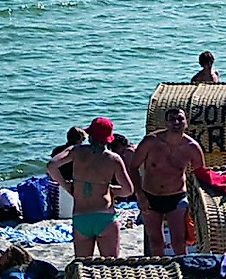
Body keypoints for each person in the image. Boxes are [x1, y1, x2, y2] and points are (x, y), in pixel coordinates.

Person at [48, 118, 135, 258]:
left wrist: (67, 186)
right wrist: (110, 189)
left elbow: (51, 165)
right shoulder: (113, 159)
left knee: (83, 266)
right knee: (110, 266)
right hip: (104, 216)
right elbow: (128, 190)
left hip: (81, 217)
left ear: (91, 136)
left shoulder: (76, 151)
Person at [133, 107, 206, 255]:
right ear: (166, 123)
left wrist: (196, 202)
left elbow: (200, 176)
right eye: (172, 119)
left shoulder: (192, 147)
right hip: (150, 195)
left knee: (179, 241)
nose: (176, 122)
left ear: (186, 123)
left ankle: (181, 271)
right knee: (155, 241)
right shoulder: (151, 142)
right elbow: (133, 166)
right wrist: (140, 195)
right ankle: (158, 272)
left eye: (180, 119)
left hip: (176, 196)